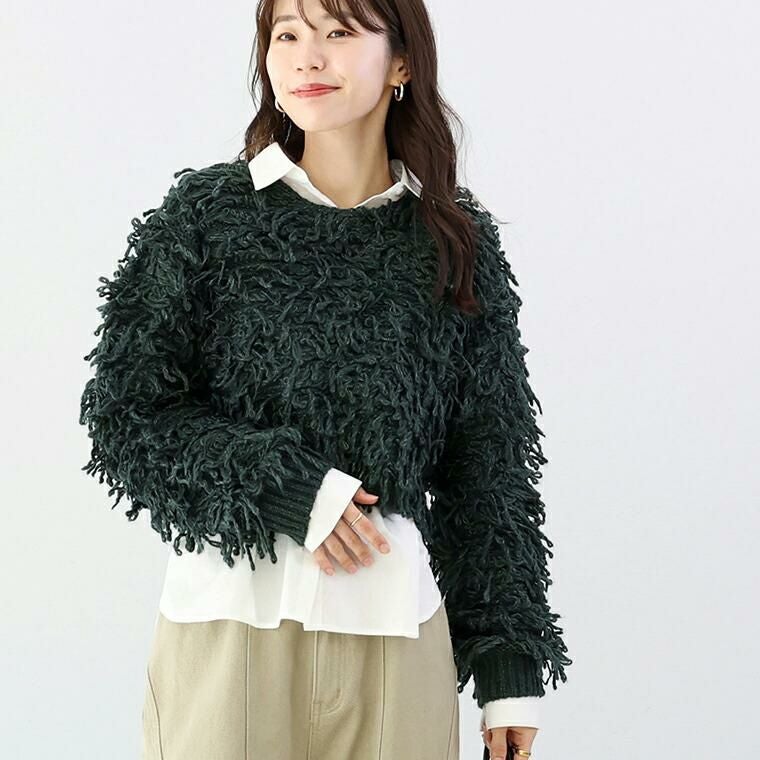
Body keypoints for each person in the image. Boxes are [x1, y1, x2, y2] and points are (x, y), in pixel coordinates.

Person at [78, 1, 572, 758]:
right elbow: (127, 414)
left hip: (396, 640)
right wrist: (286, 486)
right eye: (287, 35)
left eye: (339, 32)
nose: (308, 56)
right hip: (231, 633)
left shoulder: (454, 243)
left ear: (401, 62)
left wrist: (509, 668)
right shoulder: (207, 219)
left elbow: (489, 465)